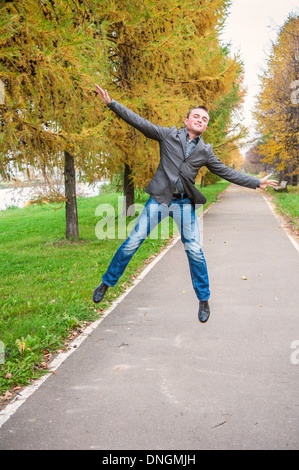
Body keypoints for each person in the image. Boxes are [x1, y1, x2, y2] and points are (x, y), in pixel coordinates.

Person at [93, 85, 277, 323]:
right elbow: (140, 123)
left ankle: (203, 299)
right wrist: (112, 104)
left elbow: (227, 172)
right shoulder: (168, 135)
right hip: (159, 200)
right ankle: (107, 282)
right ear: (187, 120)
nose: (201, 120)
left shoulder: (206, 151)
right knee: (133, 242)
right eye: (197, 116)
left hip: (183, 205)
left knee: (195, 251)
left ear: (205, 126)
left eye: (205, 119)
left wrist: (255, 182)